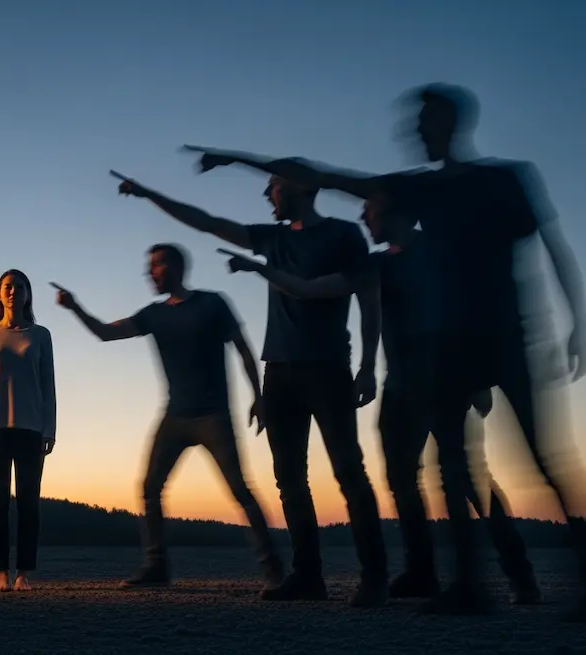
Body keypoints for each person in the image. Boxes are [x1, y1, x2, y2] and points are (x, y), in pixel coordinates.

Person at [187, 83, 586, 620]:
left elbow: (551, 243)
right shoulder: (418, 194)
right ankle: (468, 589)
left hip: (504, 336)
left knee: (541, 461)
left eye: (425, 121)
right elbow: (325, 175)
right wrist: (234, 159)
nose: (414, 131)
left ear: (451, 122)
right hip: (447, 351)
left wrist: (579, 321)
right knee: (451, 470)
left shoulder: (503, 179)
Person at [217, 194, 541, 604]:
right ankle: (421, 573)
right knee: (402, 481)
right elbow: (313, 288)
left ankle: (520, 575)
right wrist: (261, 269)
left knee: (467, 481)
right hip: (401, 386)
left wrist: (480, 375)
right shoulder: (376, 265)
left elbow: (473, 310)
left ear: (397, 213)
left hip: (447, 381)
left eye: (369, 210)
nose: (363, 216)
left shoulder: (441, 254)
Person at [115, 175, 388, 607]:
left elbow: (369, 299)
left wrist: (370, 365)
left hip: (329, 367)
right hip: (278, 371)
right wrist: (149, 193)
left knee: (348, 473)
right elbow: (205, 221)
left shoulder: (343, 234)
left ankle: (375, 577)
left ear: (302, 188)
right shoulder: (271, 238)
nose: (266, 195)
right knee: (290, 481)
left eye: (274, 186)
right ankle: (306, 578)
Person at [52, 244, 284, 592]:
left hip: (213, 416)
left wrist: (258, 397)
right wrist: (75, 308)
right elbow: (106, 332)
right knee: (149, 488)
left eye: (155, 266)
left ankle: (274, 573)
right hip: (175, 417)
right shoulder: (152, 315)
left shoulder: (212, 303)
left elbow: (243, 348)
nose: (149, 273)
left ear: (175, 267)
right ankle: (156, 566)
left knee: (240, 490)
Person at [0, 269, 57, 592]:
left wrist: (50, 429)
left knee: (29, 505)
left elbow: (48, 386)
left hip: (32, 430)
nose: (12, 291)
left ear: (27, 294)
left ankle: (23, 575)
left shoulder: (41, 335)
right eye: (7, 286)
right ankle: (1, 576)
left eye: (19, 287)